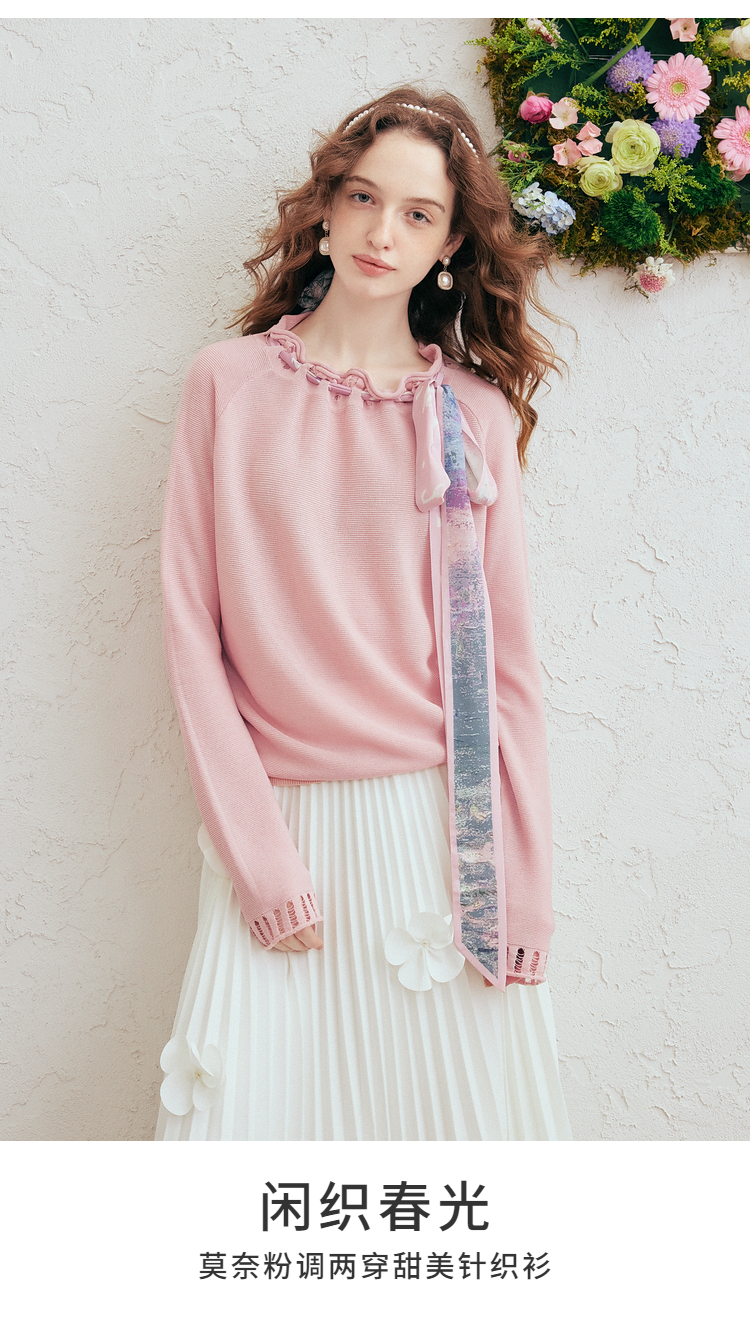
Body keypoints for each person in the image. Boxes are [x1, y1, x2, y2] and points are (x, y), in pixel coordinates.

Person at [155, 87, 572, 1141]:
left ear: (449, 245)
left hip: (441, 836)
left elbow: (507, 673)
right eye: (364, 198)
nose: (384, 232)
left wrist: (522, 885)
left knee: (457, 1147)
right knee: (245, 1143)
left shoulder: (470, 416)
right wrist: (259, 860)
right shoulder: (227, 385)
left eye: (419, 214)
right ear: (329, 208)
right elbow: (192, 634)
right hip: (277, 820)